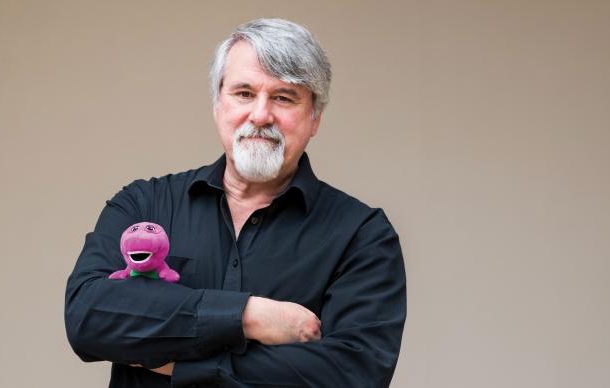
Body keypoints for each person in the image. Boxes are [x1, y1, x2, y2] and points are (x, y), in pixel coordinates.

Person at [65, 18, 406, 388]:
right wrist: (249, 316)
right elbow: (88, 315)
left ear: (314, 118)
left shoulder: (361, 236)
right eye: (244, 93)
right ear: (217, 105)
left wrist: (182, 367)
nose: (260, 115)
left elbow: (353, 375)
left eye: (283, 97)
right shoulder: (144, 205)